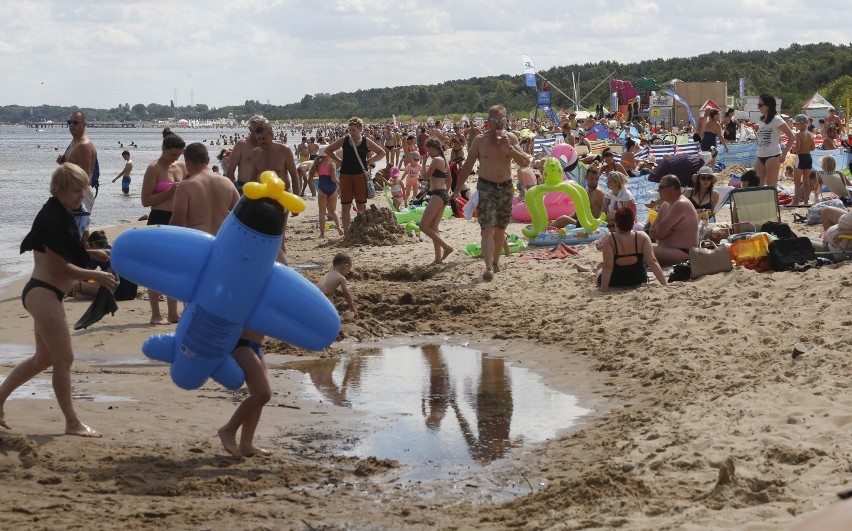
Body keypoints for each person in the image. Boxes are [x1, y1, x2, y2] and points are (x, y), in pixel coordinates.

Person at [0, 163, 116, 437]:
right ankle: (72, 423)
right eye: (77, 190)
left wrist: (93, 253)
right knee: (64, 359)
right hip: (43, 293)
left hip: (45, 293)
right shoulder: (51, 218)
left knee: (44, 359)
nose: (81, 196)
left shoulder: (61, 212)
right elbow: (60, 268)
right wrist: (96, 276)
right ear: (59, 189)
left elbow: (64, 250)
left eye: (84, 190)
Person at [452, 104, 530, 281]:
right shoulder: (480, 140)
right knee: (487, 228)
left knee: (500, 229)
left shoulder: (511, 137)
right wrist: (457, 190)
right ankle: (488, 267)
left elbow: (525, 162)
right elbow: (467, 166)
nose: (499, 124)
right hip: (486, 187)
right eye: (496, 121)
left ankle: (495, 263)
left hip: (506, 187)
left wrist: (510, 148)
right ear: (489, 122)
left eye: (502, 120)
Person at [141, 128, 186, 325]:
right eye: (171, 154)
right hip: (158, 217)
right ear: (163, 149)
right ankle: (155, 314)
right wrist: (169, 192)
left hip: (178, 218)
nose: (174, 158)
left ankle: (173, 313)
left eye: (177, 155)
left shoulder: (181, 167)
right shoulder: (154, 168)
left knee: (175, 267)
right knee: (156, 267)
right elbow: (146, 200)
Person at [575, 207, 667, 291]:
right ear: (632, 223)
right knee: (602, 266)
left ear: (616, 224)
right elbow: (652, 262)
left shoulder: (610, 239)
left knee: (601, 267)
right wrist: (665, 284)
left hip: (615, 280)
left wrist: (603, 289)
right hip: (638, 279)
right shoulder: (642, 236)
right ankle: (592, 269)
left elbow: (608, 266)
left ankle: (592, 270)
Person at [323, 117, 386, 234]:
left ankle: (361, 230)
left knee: (361, 204)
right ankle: (346, 232)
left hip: (360, 175)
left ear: (360, 129)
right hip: (345, 175)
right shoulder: (344, 140)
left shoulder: (366, 141)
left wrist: (368, 162)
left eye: (353, 130)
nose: (351, 132)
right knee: (345, 205)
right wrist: (340, 161)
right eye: (349, 130)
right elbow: (328, 150)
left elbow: (382, 152)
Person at [249, 123, 300, 262]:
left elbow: (294, 176)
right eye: (258, 139)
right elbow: (252, 178)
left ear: (272, 136)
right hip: (262, 199)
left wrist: (296, 200)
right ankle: (268, 262)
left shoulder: (284, 150)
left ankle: (283, 266)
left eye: (264, 138)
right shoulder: (255, 153)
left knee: (279, 234)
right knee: (263, 234)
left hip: (281, 198)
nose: (261, 142)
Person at [170, 142, 239, 234]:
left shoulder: (185, 186)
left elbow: (177, 222)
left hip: (197, 240)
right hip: (220, 239)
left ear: (187, 163)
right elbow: (240, 214)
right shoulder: (227, 183)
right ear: (208, 160)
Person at [648, 174, 699, 266]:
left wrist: (660, 232)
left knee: (640, 249)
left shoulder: (680, 204)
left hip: (683, 253)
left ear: (671, 188)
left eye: (661, 187)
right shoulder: (665, 205)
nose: (658, 190)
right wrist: (660, 232)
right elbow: (652, 232)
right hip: (668, 250)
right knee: (638, 246)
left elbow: (659, 232)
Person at [419, 138, 454, 265]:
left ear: (433, 148)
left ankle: (446, 247)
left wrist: (423, 163)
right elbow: (449, 179)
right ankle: (438, 258)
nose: (428, 153)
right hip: (443, 194)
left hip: (437, 195)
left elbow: (425, 177)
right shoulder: (444, 160)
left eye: (428, 150)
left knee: (423, 226)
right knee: (434, 227)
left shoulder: (436, 160)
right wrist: (446, 192)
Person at [754, 94, 794, 187]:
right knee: (757, 185)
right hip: (760, 154)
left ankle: (772, 202)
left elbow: (791, 136)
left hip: (773, 155)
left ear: (768, 106)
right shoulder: (761, 120)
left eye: (760, 105)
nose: (758, 107)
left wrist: (784, 153)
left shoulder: (777, 120)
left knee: (771, 186)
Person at [308, 146, 344, 237]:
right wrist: (341, 184)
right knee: (333, 210)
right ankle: (339, 228)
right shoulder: (332, 164)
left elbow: (310, 178)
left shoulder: (317, 164)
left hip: (322, 188)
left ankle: (322, 233)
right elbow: (333, 179)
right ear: (327, 155)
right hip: (332, 188)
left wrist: (315, 182)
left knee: (321, 212)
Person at [227, 115, 267, 196]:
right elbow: (231, 169)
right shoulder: (242, 144)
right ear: (250, 129)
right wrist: (233, 190)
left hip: (265, 189)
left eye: (261, 130)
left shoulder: (268, 145)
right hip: (244, 188)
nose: (258, 133)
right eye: (256, 130)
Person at [649, 149, 716, 187]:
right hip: (666, 175)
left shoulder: (691, 160)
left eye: (709, 178)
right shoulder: (696, 165)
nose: (706, 181)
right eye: (704, 178)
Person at [790, 114, 816, 205]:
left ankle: (796, 201)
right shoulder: (810, 134)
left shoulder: (798, 134)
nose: (795, 125)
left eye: (796, 124)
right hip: (808, 157)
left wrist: (792, 150)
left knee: (796, 181)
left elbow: (797, 148)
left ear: (801, 123)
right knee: (806, 181)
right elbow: (813, 147)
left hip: (800, 157)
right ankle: (805, 201)